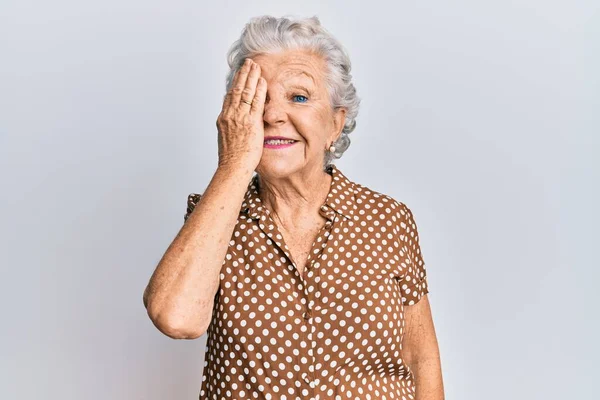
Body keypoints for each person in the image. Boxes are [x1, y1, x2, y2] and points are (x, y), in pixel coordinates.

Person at [143, 14, 444, 400]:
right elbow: (176, 318)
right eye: (257, 100)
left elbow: (421, 358)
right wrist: (234, 164)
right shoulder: (215, 216)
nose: (272, 115)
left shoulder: (388, 220)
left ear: (336, 124)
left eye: (298, 97)